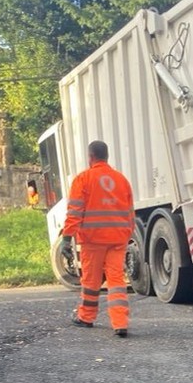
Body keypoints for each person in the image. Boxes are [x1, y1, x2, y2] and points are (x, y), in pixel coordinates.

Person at [61, 140, 134, 338]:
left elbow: (74, 212)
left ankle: (86, 317)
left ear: (90, 157)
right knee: (116, 281)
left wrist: (66, 238)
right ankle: (120, 323)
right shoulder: (121, 180)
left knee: (91, 281)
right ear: (107, 156)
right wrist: (126, 235)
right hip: (118, 239)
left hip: (93, 240)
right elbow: (130, 213)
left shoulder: (83, 179)